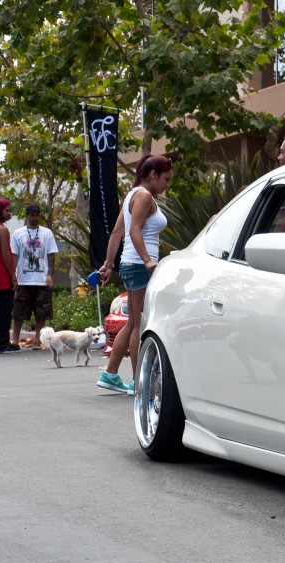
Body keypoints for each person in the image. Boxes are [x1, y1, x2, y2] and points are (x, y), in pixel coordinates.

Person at [96, 154, 173, 394]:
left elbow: (116, 233)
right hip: (140, 265)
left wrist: (109, 264)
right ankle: (138, 382)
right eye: (166, 179)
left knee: (132, 323)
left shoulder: (132, 195)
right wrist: (148, 261)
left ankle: (110, 374)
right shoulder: (144, 196)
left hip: (130, 264)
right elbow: (133, 231)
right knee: (140, 323)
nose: (167, 185)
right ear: (153, 175)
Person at [10, 204, 58, 350]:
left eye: (37, 215)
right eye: (32, 215)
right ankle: (15, 340)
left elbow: (51, 255)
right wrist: (14, 275)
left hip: (41, 279)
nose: (34, 218)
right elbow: (14, 255)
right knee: (18, 311)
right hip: (23, 279)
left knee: (41, 311)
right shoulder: (18, 233)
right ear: (27, 216)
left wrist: (50, 275)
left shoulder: (47, 233)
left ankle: (37, 339)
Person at [0, 198, 16, 353]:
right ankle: (2, 344)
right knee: (4, 311)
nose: (10, 213)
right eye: (7, 210)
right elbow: (5, 254)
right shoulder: (2, 229)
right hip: (2, 277)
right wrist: (13, 275)